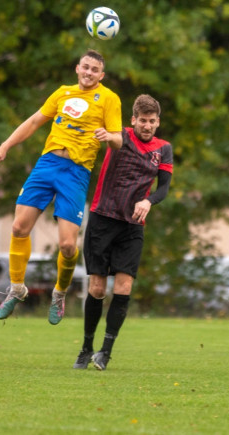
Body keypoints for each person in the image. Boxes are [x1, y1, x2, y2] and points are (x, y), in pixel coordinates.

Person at [0, 50, 122, 324]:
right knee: (18, 227)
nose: (89, 72)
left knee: (68, 246)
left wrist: (109, 136)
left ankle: (59, 294)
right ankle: (16, 289)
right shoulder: (62, 93)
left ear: (101, 75)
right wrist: (5, 146)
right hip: (47, 164)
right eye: (85, 67)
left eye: (95, 69)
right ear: (77, 68)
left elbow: (119, 139)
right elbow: (35, 121)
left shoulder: (109, 98)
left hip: (76, 172)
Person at [73, 94, 173, 371]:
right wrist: (106, 135)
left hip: (132, 225)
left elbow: (163, 188)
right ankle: (85, 348)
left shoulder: (163, 149)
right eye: (143, 120)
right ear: (133, 120)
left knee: (124, 287)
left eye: (152, 121)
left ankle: (105, 352)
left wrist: (148, 201)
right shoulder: (123, 135)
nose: (147, 126)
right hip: (102, 218)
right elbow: (115, 139)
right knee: (96, 288)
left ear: (158, 122)